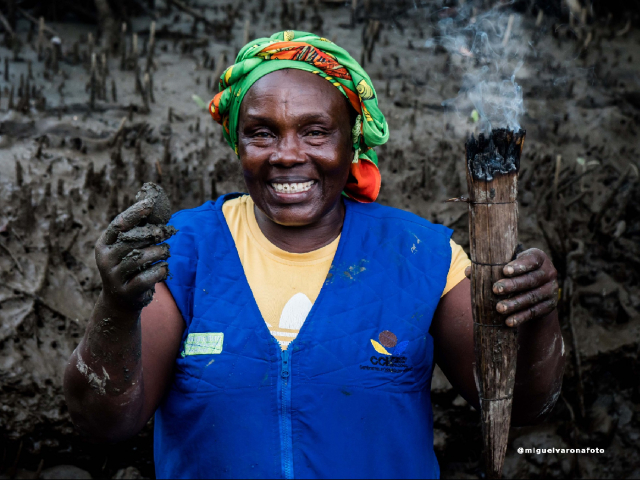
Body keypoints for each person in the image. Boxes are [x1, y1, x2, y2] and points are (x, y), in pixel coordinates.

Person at [64, 31, 564, 479]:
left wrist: (538, 314)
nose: (287, 154)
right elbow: (104, 424)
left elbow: (519, 406)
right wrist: (115, 308)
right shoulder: (186, 250)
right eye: (261, 131)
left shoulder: (420, 255)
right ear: (237, 143)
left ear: (353, 144)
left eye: (316, 131)